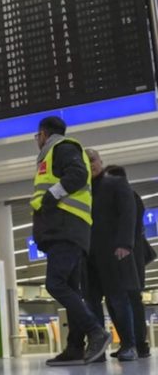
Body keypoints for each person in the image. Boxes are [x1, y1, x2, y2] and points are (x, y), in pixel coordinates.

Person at [30, 116, 111, 366]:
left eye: (37, 136)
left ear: (43, 134)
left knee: (55, 283)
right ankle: (75, 347)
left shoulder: (62, 147)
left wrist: (50, 198)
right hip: (66, 230)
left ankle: (96, 332)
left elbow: (77, 173)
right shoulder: (53, 153)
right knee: (72, 288)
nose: (37, 141)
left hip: (65, 229)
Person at [84, 151, 139, 361]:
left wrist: (125, 243)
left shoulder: (115, 184)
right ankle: (98, 349)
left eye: (93, 161)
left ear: (101, 162)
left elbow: (128, 212)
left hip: (112, 251)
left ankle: (129, 345)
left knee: (118, 299)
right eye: (85, 162)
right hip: (88, 254)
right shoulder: (81, 191)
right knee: (92, 302)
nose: (90, 165)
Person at [105, 164, 154, 359]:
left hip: (126, 258)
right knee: (127, 300)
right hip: (132, 259)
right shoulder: (131, 196)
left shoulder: (126, 197)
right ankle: (134, 343)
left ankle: (135, 343)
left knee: (126, 300)